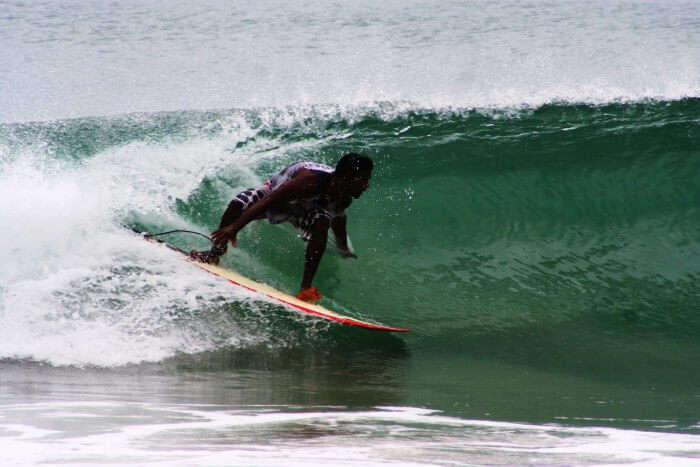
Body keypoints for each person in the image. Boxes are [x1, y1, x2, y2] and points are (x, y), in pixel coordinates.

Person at [190, 153, 373, 302]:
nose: (366, 185)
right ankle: (214, 254)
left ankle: (305, 288)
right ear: (346, 178)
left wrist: (342, 246)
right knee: (239, 203)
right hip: (276, 196)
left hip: (305, 209)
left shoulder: (343, 197)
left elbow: (338, 220)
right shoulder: (309, 180)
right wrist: (234, 228)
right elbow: (268, 200)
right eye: (362, 179)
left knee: (322, 221)